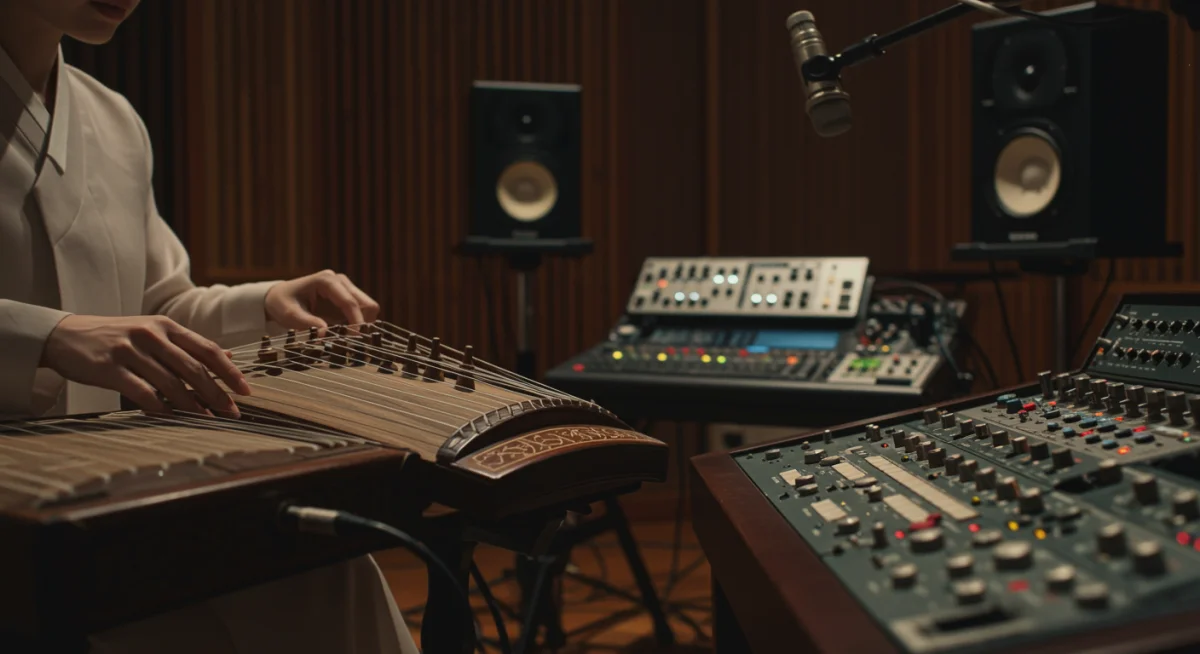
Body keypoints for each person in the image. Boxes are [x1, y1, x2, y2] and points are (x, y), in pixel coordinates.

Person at [0, 0, 420, 652]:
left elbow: (156, 307)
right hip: (24, 503)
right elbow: (97, 332)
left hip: (96, 487)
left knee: (325, 577)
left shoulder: (112, 119)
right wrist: (48, 335)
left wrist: (265, 302)